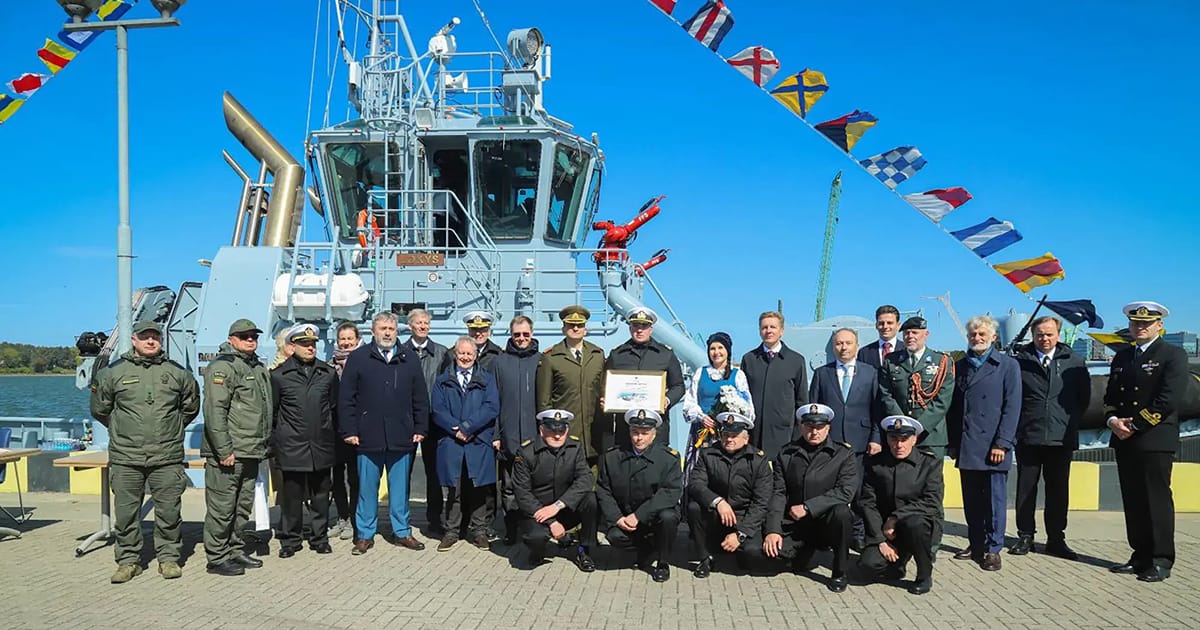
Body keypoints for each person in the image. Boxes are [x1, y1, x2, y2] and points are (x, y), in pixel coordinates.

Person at [89, 320, 199, 583]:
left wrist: (169, 429)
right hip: (126, 457)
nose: (150, 341)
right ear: (134, 340)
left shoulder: (178, 373)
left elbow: (190, 408)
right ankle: (128, 562)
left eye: (155, 337)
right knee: (126, 514)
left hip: (166, 456)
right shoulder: (113, 373)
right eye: (145, 337)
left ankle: (168, 558)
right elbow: (100, 409)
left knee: (169, 511)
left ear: (161, 340)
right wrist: (124, 429)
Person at [1105, 301, 1189, 583]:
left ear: (1159, 326)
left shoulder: (1172, 355)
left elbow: (1169, 398)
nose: (1140, 327)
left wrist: (1135, 425)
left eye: (1146, 323)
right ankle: (1140, 555)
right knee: (1133, 500)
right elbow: (1111, 397)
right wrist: (1113, 421)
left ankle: (1161, 559)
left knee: (1156, 499)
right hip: (1124, 438)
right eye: (1135, 323)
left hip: (1154, 438)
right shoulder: (1122, 357)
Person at [338, 311, 429, 555]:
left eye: (391, 329)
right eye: (383, 328)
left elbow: (420, 396)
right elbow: (346, 398)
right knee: (367, 490)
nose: (387, 333)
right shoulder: (359, 357)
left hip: (402, 434)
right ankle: (364, 535)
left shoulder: (408, 357)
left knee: (400, 490)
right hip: (368, 435)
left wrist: (420, 427)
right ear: (373, 331)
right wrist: (349, 430)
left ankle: (402, 532)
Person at [1010, 316, 1089, 559]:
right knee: (1026, 489)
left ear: (1058, 335)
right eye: (1040, 334)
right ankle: (1025, 535)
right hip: (1028, 435)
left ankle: (1056, 539)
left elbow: (1083, 399)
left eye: (1049, 334)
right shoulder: (1019, 362)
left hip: (1060, 437)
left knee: (1058, 491)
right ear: (1033, 336)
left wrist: (1067, 423)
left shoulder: (1074, 363)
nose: (1044, 338)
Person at [947, 315, 1021, 572]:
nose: (977, 338)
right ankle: (976, 543)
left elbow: (1012, 408)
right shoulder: (960, 366)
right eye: (973, 335)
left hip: (993, 445)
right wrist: (953, 443)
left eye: (982, 334)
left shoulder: (1007, 366)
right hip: (967, 444)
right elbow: (954, 409)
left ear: (993, 337)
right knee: (971, 500)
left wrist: (1003, 442)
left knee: (994, 501)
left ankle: (993, 549)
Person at [201, 319, 272, 576]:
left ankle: (234, 550)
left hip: (251, 450)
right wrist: (223, 450)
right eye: (244, 336)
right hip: (230, 452)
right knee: (222, 508)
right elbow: (215, 411)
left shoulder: (257, 367)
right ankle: (217, 557)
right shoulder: (223, 367)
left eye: (254, 336)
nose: (250, 340)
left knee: (241, 507)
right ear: (231, 339)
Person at [762, 404, 858, 593]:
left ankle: (839, 572)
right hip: (797, 524)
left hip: (826, 523)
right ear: (801, 426)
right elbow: (779, 493)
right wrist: (773, 530)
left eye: (819, 427)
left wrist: (808, 507)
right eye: (809, 426)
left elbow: (845, 491)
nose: (814, 432)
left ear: (828, 428)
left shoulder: (843, 454)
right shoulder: (787, 453)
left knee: (842, 513)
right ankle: (803, 554)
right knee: (770, 558)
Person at [270, 324, 339, 558]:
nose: (310, 348)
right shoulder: (279, 376)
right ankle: (291, 540)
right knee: (292, 497)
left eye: (312, 344)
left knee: (321, 496)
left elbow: (334, 407)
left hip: (321, 444)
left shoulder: (327, 374)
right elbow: (273, 412)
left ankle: (320, 538)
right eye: (305, 344)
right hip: (292, 446)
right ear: (293, 346)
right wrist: (277, 443)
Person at [809, 328, 881, 549]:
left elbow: (877, 409)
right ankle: (825, 535)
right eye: (839, 343)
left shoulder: (870, 373)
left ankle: (857, 535)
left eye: (848, 343)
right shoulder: (822, 373)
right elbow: (813, 408)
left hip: (860, 441)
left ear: (857, 346)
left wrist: (876, 438)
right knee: (827, 489)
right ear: (833, 347)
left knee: (858, 491)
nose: (843, 347)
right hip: (830, 443)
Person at [858, 415, 945, 595]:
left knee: (914, 523)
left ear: (914, 439)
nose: (899, 445)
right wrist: (880, 540)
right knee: (867, 566)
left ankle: (924, 575)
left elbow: (932, 501)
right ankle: (897, 564)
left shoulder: (929, 464)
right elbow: (867, 503)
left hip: (917, 528)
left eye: (904, 439)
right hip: (886, 531)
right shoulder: (876, 464)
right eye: (894, 438)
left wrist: (895, 517)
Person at [597, 408, 683, 583]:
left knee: (668, 518)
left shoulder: (668, 458)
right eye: (635, 432)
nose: (639, 438)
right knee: (614, 535)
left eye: (645, 433)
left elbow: (670, 491)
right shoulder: (612, 457)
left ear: (654, 434)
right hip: (626, 516)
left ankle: (662, 562)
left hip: (654, 516)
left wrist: (639, 515)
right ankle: (647, 549)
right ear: (629, 432)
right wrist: (617, 518)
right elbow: (603, 489)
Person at [431, 337, 500, 551]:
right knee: (454, 488)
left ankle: (479, 531)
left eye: (469, 353)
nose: (465, 357)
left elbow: (491, 407)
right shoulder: (443, 380)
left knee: (479, 487)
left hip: (477, 439)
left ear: (476, 355)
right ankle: (452, 531)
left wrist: (468, 427)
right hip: (452, 441)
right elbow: (438, 410)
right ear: (455, 354)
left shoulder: (487, 379)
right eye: (461, 353)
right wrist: (456, 430)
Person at [686, 412, 771, 579]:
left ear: (746, 439)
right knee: (694, 507)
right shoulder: (708, 454)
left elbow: (762, 501)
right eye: (726, 435)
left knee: (752, 553)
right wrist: (718, 501)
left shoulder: (758, 460)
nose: (729, 439)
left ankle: (737, 550)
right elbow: (695, 484)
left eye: (734, 436)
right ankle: (705, 558)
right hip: (718, 514)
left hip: (744, 516)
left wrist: (741, 534)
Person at [511, 409, 598, 572]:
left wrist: (558, 505)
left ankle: (584, 550)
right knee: (535, 537)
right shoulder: (526, 453)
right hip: (538, 512)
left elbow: (585, 479)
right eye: (552, 430)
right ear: (542, 430)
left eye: (562, 430)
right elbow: (522, 492)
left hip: (565, 507)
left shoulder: (575, 447)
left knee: (591, 500)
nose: (557, 436)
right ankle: (537, 551)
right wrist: (552, 522)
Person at [536, 305, 607, 468]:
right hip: (563, 434)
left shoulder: (597, 355)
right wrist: (550, 433)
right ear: (563, 328)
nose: (575, 328)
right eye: (571, 325)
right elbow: (544, 402)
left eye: (580, 325)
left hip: (593, 436)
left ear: (585, 329)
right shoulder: (550, 357)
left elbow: (604, 390)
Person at [605, 307, 685, 447]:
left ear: (651, 329)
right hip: (626, 429)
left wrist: (667, 399)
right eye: (636, 326)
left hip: (656, 427)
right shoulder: (617, 355)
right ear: (630, 328)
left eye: (644, 326)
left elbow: (678, 386)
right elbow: (605, 384)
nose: (639, 330)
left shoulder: (665, 354)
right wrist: (606, 398)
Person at [493, 315, 542, 544]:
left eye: (525, 334)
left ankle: (532, 527)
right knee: (509, 486)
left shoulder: (542, 361)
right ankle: (511, 529)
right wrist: (496, 434)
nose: (521, 338)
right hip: (509, 435)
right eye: (517, 334)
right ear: (511, 335)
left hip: (535, 435)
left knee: (535, 486)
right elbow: (493, 401)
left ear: (532, 334)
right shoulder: (500, 362)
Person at [878, 316, 955, 459]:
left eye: (915, 332)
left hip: (930, 436)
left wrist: (919, 427)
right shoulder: (891, 360)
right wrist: (904, 424)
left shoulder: (942, 361)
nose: (910, 336)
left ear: (926, 334)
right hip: (899, 435)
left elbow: (943, 400)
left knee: (931, 473)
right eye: (906, 333)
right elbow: (886, 394)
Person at [682, 331, 754, 480]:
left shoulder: (737, 375)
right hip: (702, 431)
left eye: (720, 348)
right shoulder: (700, 373)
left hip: (728, 433)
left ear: (727, 351)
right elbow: (690, 402)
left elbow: (748, 407)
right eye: (712, 349)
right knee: (698, 473)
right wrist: (701, 417)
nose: (716, 352)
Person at [401, 309, 448, 535]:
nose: (422, 326)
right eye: (418, 323)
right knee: (402, 472)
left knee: (434, 473)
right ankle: (401, 520)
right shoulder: (400, 352)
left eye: (426, 323)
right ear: (410, 325)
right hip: (405, 420)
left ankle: (435, 520)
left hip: (433, 421)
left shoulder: (442, 353)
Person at [741, 311, 809, 461]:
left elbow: (802, 400)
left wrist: (797, 435)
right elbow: (742, 398)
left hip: (784, 437)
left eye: (773, 327)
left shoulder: (796, 360)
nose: (768, 331)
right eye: (764, 327)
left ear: (781, 331)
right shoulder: (749, 359)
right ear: (759, 331)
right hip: (754, 436)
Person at [329, 321, 362, 541]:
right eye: (343, 339)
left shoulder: (364, 363)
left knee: (355, 477)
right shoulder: (329, 366)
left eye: (350, 338)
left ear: (357, 340)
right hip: (334, 429)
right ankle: (342, 516)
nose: (346, 343)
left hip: (358, 430)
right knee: (337, 477)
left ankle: (354, 519)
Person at [437, 310, 502, 374]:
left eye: (482, 329)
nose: (478, 333)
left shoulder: (498, 354)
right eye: (474, 329)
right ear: (468, 330)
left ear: (489, 331)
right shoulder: (452, 354)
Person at [858, 305, 902, 369]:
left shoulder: (906, 350)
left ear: (898, 325)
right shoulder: (864, 353)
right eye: (881, 323)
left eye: (889, 323)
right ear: (876, 325)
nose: (885, 326)